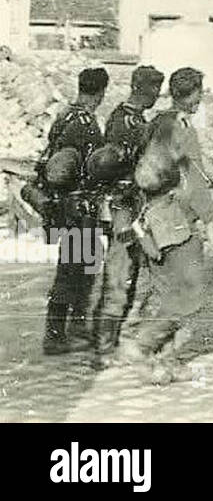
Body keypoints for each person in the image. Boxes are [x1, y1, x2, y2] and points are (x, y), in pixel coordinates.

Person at [118, 67, 213, 384]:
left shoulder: (156, 122)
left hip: (148, 217)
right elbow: (193, 178)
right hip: (174, 220)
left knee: (166, 288)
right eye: (199, 93)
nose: (200, 99)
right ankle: (142, 344)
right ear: (193, 94)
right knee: (190, 291)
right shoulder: (182, 127)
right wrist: (210, 218)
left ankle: (165, 362)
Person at [90, 65, 164, 368]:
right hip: (122, 207)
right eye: (153, 92)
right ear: (141, 89)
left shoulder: (135, 119)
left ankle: (115, 340)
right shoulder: (123, 121)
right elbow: (114, 167)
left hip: (133, 205)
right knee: (119, 275)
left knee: (132, 276)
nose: (156, 98)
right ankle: (104, 349)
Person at [39, 67, 109, 355]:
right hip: (79, 207)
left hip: (62, 205)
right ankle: (55, 335)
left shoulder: (64, 115)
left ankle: (76, 327)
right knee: (73, 270)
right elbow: (91, 167)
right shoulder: (86, 123)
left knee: (84, 264)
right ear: (101, 92)